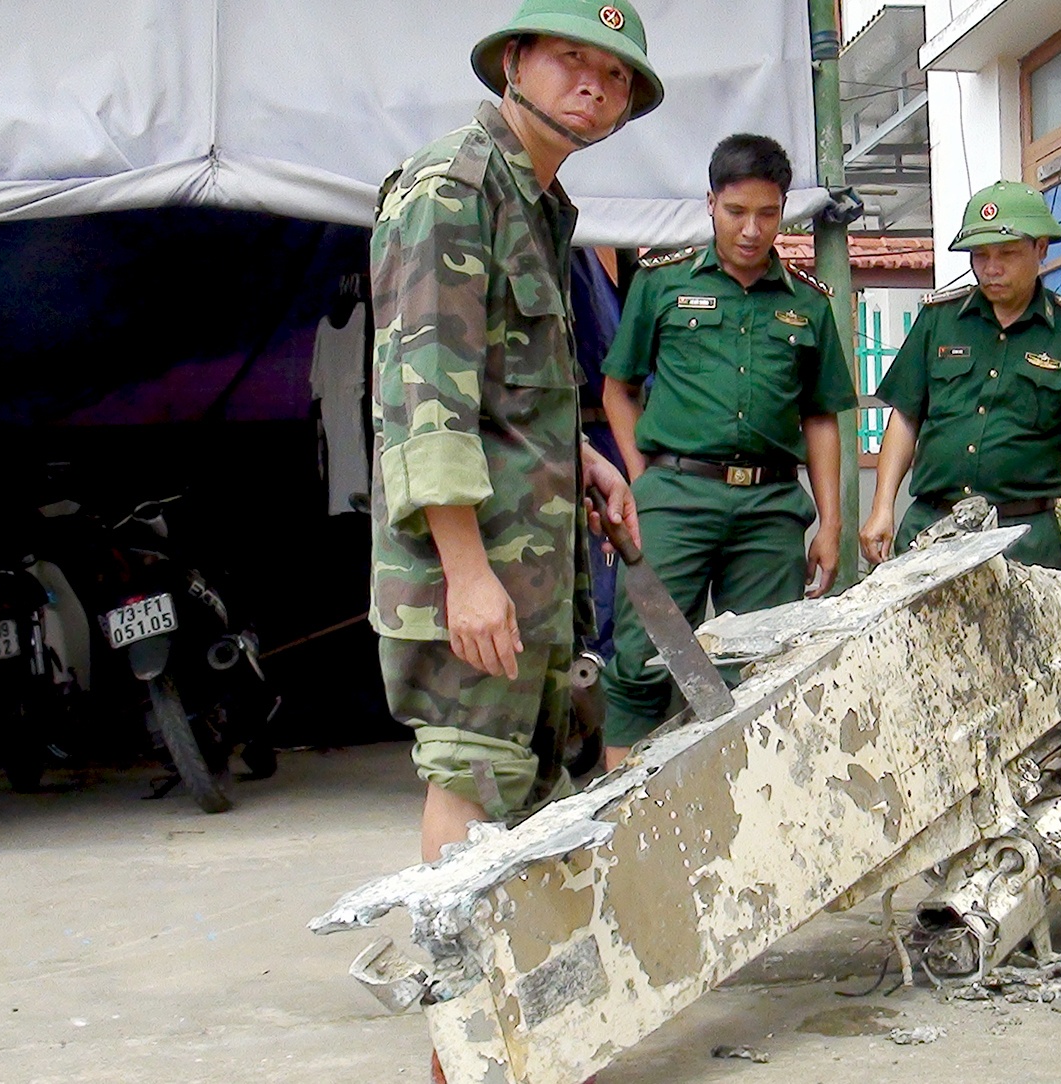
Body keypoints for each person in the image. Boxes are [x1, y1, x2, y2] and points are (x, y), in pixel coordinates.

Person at [367, 0, 662, 877]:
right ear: (513, 63)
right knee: (473, 774)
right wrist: (465, 576)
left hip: (531, 562)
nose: (593, 85)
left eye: (614, 75)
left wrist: (586, 461)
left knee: (533, 778)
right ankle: (463, 991)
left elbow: (502, 386)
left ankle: (517, 992)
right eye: (571, 58)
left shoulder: (536, 202)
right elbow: (425, 403)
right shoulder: (452, 190)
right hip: (476, 565)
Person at [598, 134, 856, 765]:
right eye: (736, 211)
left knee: (762, 671)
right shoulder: (660, 284)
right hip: (673, 498)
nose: (750, 229)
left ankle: (748, 821)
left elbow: (821, 417)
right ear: (710, 203)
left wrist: (832, 520)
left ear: (783, 211)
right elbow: (617, 390)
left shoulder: (809, 305)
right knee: (642, 658)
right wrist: (640, 482)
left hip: (770, 508)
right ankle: (617, 828)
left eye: (767, 214)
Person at [861, 180, 1061, 578]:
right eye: (980, 256)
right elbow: (905, 416)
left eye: (1007, 253)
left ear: (1040, 248)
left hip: (1024, 538)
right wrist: (882, 507)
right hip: (932, 529)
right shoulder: (939, 321)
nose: (992, 268)